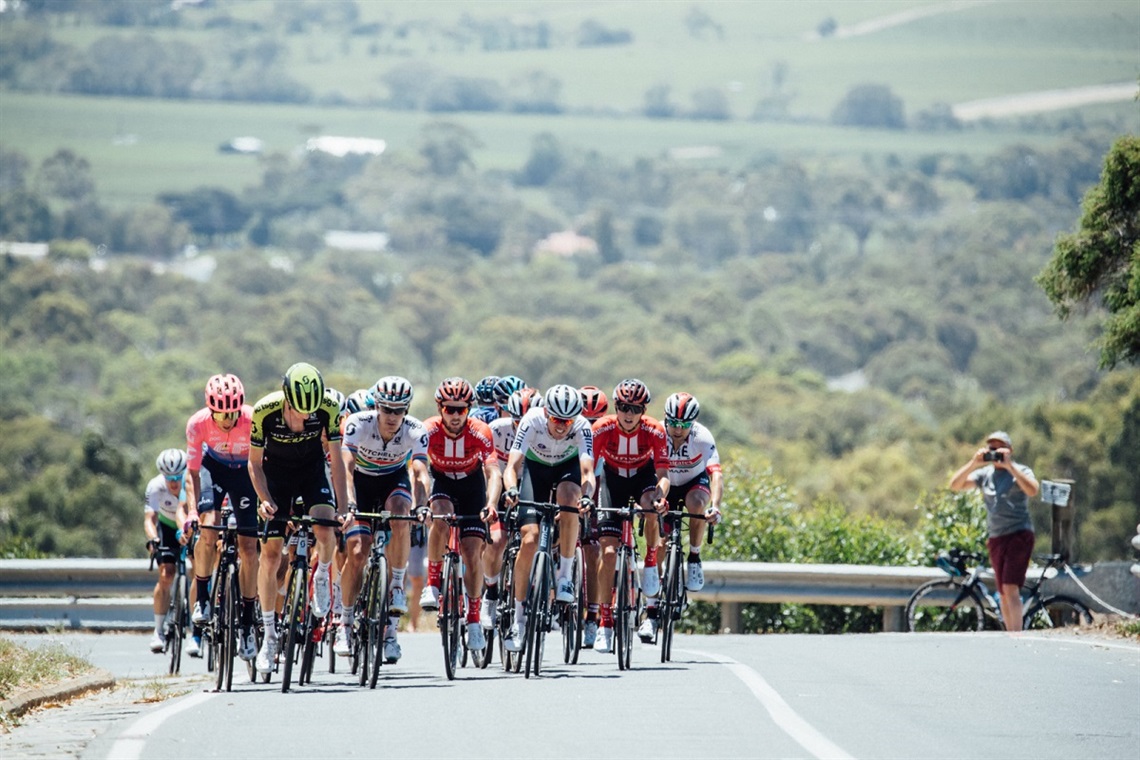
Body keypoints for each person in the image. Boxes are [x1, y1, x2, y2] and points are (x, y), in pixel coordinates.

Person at [249, 362, 349, 675]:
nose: (306, 418)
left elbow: (336, 462)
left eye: (311, 412)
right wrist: (265, 501)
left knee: (325, 524)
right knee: (271, 554)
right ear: (286, 399)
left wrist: (344, 506)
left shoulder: (329, 408)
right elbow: (254, 464)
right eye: (300, 412)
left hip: (311, 471)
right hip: (276, 476)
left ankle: (321, 576)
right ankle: (269, 635)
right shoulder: (264, 411)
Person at [337, 376, 430, 664]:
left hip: (393, 481)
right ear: (376, 406)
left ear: (406, 410)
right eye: (386, 410)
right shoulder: (358, 423)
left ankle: (397, 591)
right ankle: (346, 623)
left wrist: (423, 506)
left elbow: (419, 472)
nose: (392, 417)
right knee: (357, 552)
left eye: (398, 411)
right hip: (361, 485)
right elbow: (346, 467)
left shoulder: (416, 430)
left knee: (402, 514)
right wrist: (349, 502)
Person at [501, 384, 596, 652]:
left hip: (566, 470)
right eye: (556, 419)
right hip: (536, 470)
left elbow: (587, 473)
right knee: (529, 539)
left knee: (571, 499)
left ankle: (564, 576)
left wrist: (587, 496)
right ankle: (519, 619)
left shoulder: (582, 427)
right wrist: (510, 489)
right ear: (546, 413)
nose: (562, 426)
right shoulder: (531, 421)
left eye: (567, 420)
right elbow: (512, 467)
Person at [420, 377, 502, 654]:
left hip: (471, 485)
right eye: (449, 409)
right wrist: (419, 502)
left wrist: (491, 503)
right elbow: (416, 467)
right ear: (440, 407)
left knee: (470, 552)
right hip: (441, 481)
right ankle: (432, 584)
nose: (455, 415)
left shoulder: (481, 431)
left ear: (469, 409)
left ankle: (475, 619)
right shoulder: (428, 429)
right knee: (441, 518)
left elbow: (493, 472)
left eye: (461, 409)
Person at [183, 373, 259, 661]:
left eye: (233, 413)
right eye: (222, 414)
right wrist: (192, 511)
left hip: (245, 473)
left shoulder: (253, 419)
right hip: (212, 469)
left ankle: (248, 623)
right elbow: (192, 473)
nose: (228, 419)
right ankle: (202, 599)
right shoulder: (197, 423)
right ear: (210, 408)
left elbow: (262, 465)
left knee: (249, 548)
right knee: (209, 526)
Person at [591, 380, 670, 652]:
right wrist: (584, 496)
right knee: (609, 553)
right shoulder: (602, 428)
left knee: (650, 506)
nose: (629, 413)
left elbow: (663, 475)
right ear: (616, 407)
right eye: (624, 407)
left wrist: (661, 498)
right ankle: (604, 622)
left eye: (635, 408)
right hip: (612, 481)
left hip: (642, 478)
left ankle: (649, 561)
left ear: (643, 410)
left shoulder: (655, 430)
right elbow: (588, 471)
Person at [949, 430, 1039, 632]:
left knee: (1010, 587)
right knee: (1003, 592)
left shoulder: (1020, 471)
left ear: (1010, 450)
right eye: (992, 448)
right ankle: (1011, 633)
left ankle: (1017, 636)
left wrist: (1010, 467)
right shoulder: (985, 475)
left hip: (1019, 533)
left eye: (1000, 448)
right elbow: (955, 485)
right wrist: (974, 463)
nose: (996, 452)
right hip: (997, 537)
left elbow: (1033, 490)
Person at [656, 391, 723, 641]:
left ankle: (694, 556)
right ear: (666, 418)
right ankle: (659, 581)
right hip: (664, 484)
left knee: (696, 504)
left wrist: (715, 506)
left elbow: (716, 474)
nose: (677, 429)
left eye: (684, 425)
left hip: (694, 481)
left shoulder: (702, 437)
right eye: (673, 423)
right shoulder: (656, 433)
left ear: (692, 424)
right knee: (661, 540)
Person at [481, 387, 542, 634]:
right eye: (518, 420)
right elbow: (487, 468)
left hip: (528, 489)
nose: (522, 425)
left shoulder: (545, 431)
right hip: (499, 487)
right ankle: (491, 591)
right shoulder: (496, 429)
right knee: (497, 541)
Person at [144, 449, 191, 653]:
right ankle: (158, 630)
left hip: (190, 526)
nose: (174, 482)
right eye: (169, 478)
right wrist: (153, 538)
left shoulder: (192, 482)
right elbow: (149, 519)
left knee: (200, 569)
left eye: (178, 477)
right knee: (166, 574)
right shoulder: (155, 486)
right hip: (167, 528)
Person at [578, 385, 609, 648]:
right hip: (569, 489)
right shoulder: (570, 433)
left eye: (595, 420)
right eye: (585, 420)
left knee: (592, 551)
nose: (590, 426)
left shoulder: (607, 438)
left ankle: (592, 615)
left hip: (596, 492)